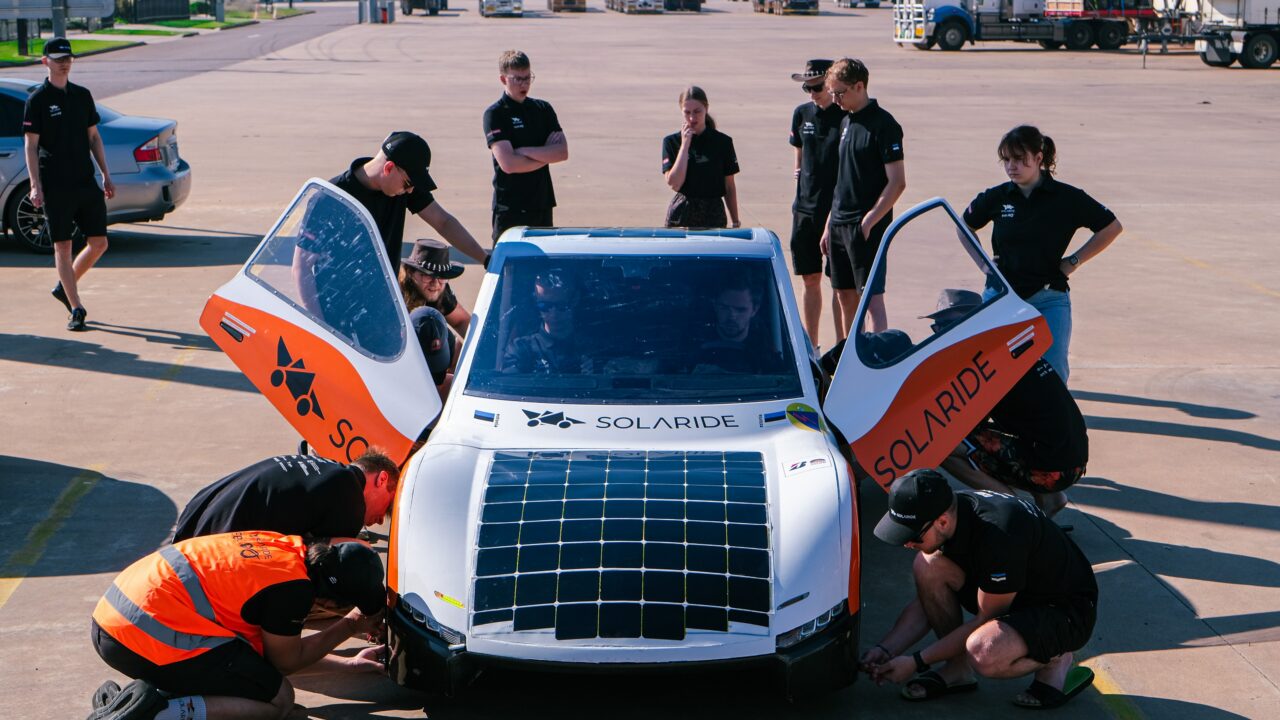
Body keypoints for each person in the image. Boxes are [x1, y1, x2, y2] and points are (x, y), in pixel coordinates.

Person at [862, 469, 1098, 709]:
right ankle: (957, 670)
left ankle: (1056, 659)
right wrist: (886, 649)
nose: (906, 543)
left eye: (913, 536)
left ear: (942, 521)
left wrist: (915, 662)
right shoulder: (953, 511)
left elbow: (985, 620)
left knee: (983, 652)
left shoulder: (998, 535)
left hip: (1065, 611)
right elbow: (928, 603)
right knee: (928, 565)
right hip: (1019, 589)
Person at [89, 532, 386, 720]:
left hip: (115, 617)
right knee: (280, 701)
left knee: (252, 679)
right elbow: (285, 661)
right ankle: (152, 714)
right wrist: (349, 626)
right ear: (331, 601)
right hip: (145, 630)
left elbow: (267, 661)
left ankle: (139, 699)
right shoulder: (292, 591)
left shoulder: (286, 548)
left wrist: (350, 666)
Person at [963, 125, 1122, 382]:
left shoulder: (1066, 198)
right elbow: (964, 227)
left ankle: (1057, 422)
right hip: (1001, 298)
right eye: (1006, 160)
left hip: (1049, 299)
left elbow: (1111, 227)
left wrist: (1073, 261)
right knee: (992, 372)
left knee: (1054, 370)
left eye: (1019, 159)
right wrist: (984, 265)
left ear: (1038, 158)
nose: (1011, 166)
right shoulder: (997, 197)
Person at [923, 289, 1089, 517]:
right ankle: (1050, 498)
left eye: (945, 326)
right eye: (937, 327)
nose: (940, 333)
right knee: (998, 436)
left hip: (1053, 467)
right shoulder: (1003, 345)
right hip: (1073, 458)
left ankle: (1019, 513)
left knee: (942, 444)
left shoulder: (980, 365)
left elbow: (960, 421)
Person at [24, 37, 115, 332]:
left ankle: (65, 286)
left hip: (84, 180)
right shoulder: (37, 100)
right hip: (55, 183)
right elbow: (31, 146)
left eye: (68, 58)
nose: (64, 63)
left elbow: (94, 137)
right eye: (58, 58)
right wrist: (36, 185)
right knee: (62, 245)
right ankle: (76, 307)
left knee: (99, 242)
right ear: (45, 62)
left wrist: (106, 174)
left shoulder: (82, 96)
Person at [820, 58, 905, 338]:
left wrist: (869, 221)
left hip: (865, 226)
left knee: (871, 299)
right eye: (832, 93)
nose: (835, 99)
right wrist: (829, 224)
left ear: (859, 86)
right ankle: (848, 357)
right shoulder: (845, 121)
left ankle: (876, 356)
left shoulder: (884, 125)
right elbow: (842, 179)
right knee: (844, 295)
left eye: (840, 93)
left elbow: (897, 183)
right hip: (839, 222)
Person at [328, 130, 489, 272]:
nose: (411, 190)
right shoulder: (333, 195)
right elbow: (304, 261)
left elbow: (443, 222)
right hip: (339, 301)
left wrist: (485, 259)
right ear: (388, 168)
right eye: (409, 184)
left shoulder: (402, 184)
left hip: (383, 299)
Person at [169, 450, 400, 544]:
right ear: (380, 479)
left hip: (196, 522)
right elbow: (321, 560)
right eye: (388, 507)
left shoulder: (325, 469)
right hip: (215, 552)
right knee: (355, 560)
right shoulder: (349, 495)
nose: (381, 520)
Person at [788, 59, 845, 347]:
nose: (812, 93)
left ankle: (841, 345)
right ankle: (812, 345)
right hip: (805, 209)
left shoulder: (845, 117)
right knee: (809, 277)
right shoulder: (801, 115)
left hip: (835, 210)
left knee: (839, 284)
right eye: (807, 88)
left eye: (817, 87)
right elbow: (799, 153)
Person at [484, 50, 568, 243]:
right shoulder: (495, 114)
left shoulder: (543, 109)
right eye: (517, 79)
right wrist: (545, 154)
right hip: (510, 208)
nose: (524, 84)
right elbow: (509, 164)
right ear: (503, 79)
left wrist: (525, 151)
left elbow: (562, 152)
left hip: (541, 204)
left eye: (528, 78)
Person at [661, 86, 740, 229]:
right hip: (682, 213)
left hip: (713, 212)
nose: (692, 118)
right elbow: (674, 183)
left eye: (697, 111)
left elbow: (729, 186)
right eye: (687, 112)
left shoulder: (723, 142)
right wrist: (685, 146)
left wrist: (735, 220)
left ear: (706, 109)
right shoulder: (671, 142)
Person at [400, 238, 471, 371]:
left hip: (429, 358)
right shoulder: (396, 294)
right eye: (427, 276)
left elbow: (461, 321)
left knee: (455, 344)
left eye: (442, 276)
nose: (435, 283)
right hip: (400, 357)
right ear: (410, 272)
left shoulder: (439, 289)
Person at [503, 270, 592, 374]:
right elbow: (507, 386)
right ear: (536, 303)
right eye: (544, 306)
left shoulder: (594, 348)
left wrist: (597, 374)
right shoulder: (522, 350)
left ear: (575, 300)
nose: (553, 314)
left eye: (562, 306)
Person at [696, 277, 784, 373]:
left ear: (754, 310)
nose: (732, 316)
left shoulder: (765, 353)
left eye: (740, 310)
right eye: (724, 308)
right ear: (715, 306)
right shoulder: (694, 342)